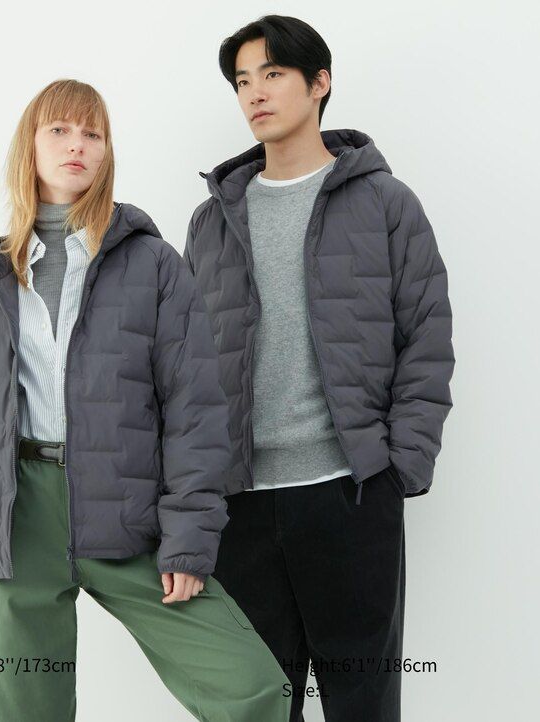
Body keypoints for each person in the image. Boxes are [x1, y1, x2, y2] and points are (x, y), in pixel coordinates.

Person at [0, 78, 291, 722]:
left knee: (253, 689)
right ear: (30, 146)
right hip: (14, 519)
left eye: (92, 133)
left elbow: (195, 409)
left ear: (106, 152)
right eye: (60, 130)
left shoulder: (152, 264)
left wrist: (188, 537)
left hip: (128, 505)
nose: (78, 145)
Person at [184, 15, 455, 722]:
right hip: (241, 505)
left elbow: (426, 336)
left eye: (273, 74)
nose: (255, 93)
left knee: (362, 704)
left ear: (319, 84)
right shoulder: (211, 222)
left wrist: (399, 468)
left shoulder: (385, 203)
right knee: (257, 708)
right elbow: (184, 368)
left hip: (349, 496)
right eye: (243, 81)